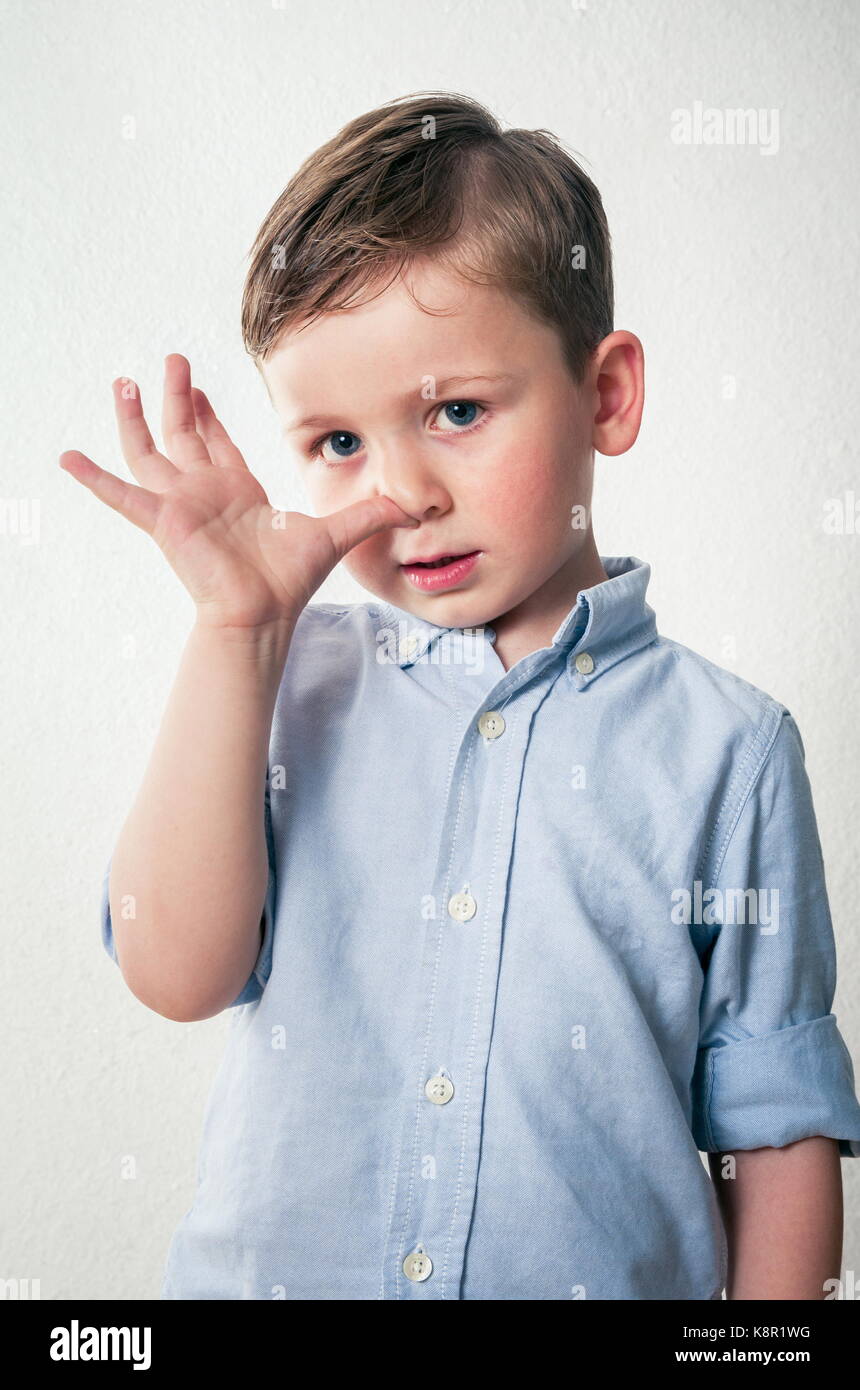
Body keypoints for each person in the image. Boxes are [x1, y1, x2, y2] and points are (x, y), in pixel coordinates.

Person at [61, 90, 860, 1300]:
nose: (403, 491)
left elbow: (774, 1125)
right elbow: (177, 970)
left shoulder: (727, 751)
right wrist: (235, 629)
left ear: (605, 395)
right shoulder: (285, 678)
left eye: (455, 412)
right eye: (336, 443)